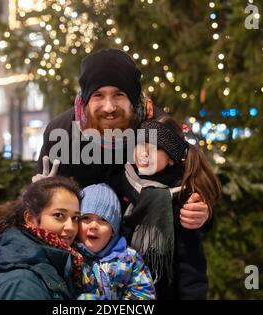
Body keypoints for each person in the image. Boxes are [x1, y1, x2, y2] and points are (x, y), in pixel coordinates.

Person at [35, 48, 211, 231]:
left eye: (119, 95)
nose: (109, 107)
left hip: (142, 242)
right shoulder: (61, 131)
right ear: (87, 100)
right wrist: (42, 197)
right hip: (82, 239)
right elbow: (43, 202)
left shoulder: (158, 127)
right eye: (98, 95)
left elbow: (189, 187)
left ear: (133, 100)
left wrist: (200, 215)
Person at [121, 115, 222, 299]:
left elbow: (190, 266)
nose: (144, 152)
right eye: (141, 143)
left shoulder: (182, 199)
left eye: (155, 148)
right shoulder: (121, 181)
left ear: (171, 158)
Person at [0, 177, 84, 300]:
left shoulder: (46, 263)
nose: (70, 227)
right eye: (59, 215)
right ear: (30, 219)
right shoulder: (23, 282)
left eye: (75, 218)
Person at [76, 183, 156, 300]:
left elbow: (145, 296)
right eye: (86, 218)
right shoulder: (70, 255)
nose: (93, 225)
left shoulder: (129, 258)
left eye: (103, 220)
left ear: (113, 230)